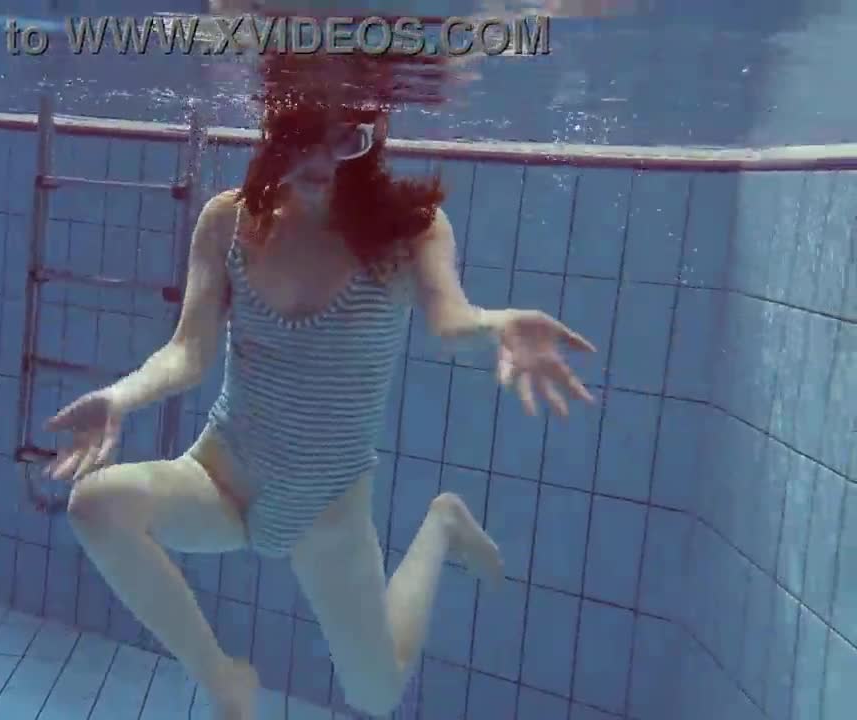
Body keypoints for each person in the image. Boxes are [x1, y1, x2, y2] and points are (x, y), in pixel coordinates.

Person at [42, 54, 596, 719]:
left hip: (328, 507)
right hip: (223, 476)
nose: (322, 159)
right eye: (305, 133)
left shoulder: (410, 230)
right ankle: (222, 677)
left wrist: (498, 325)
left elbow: (451, 322)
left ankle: (443, 523)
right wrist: (121, 397)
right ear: (275, 127)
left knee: (375, 697)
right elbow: (189, 352)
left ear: (375, 134)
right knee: (97, 506)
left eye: (346, 138)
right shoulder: (230, 220)